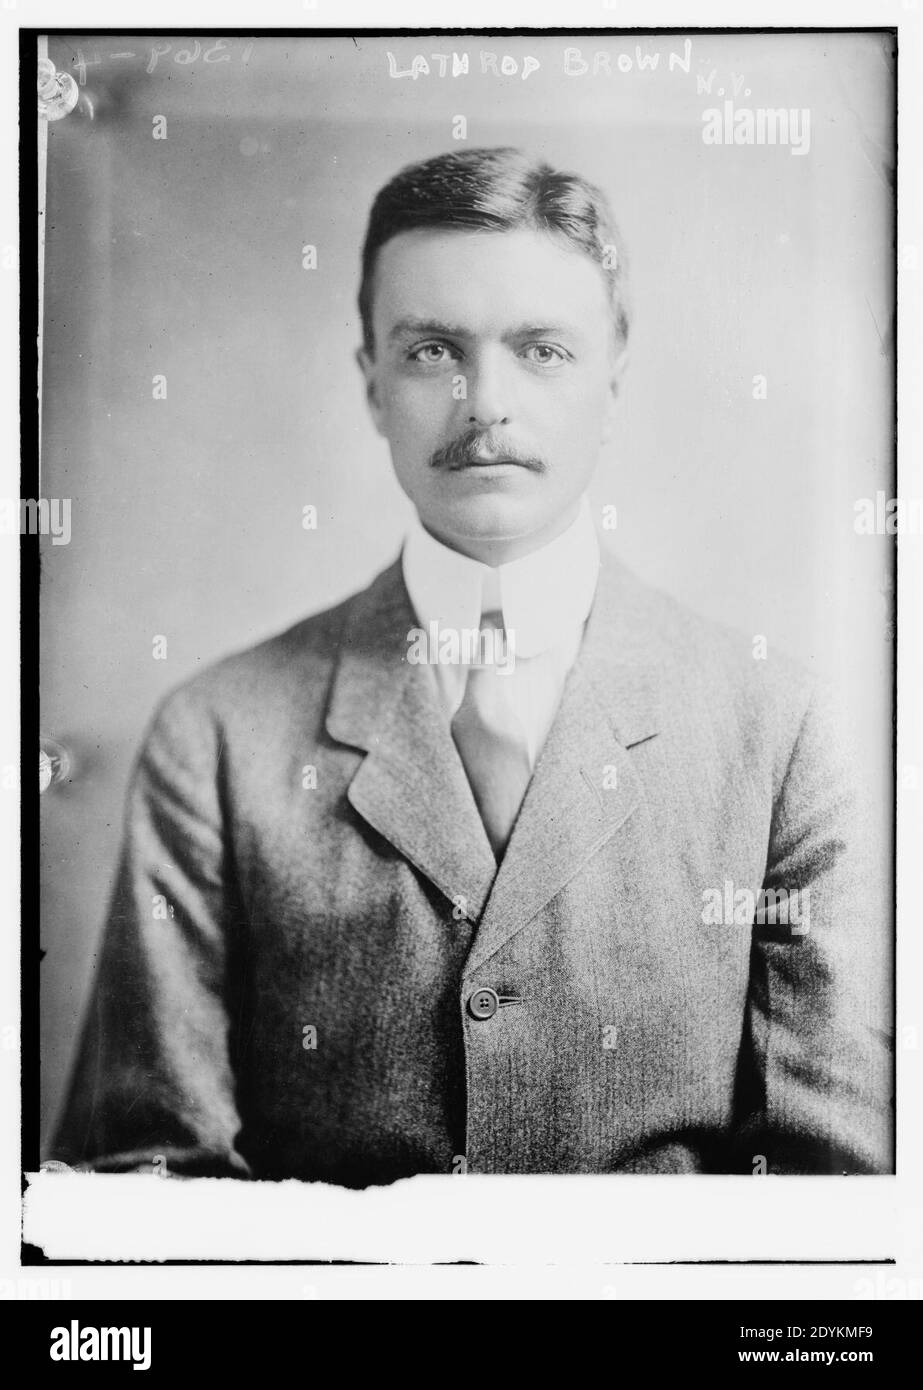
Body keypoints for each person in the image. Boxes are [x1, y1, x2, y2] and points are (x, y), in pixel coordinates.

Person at [50, 147, 892, 1185]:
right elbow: (141, 1189)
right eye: (431, 350)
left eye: (541, 350)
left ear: (613, 378)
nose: (484, 401)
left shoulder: (779, 729)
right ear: (371, 383)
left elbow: (830, 1196)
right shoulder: (218, 736)